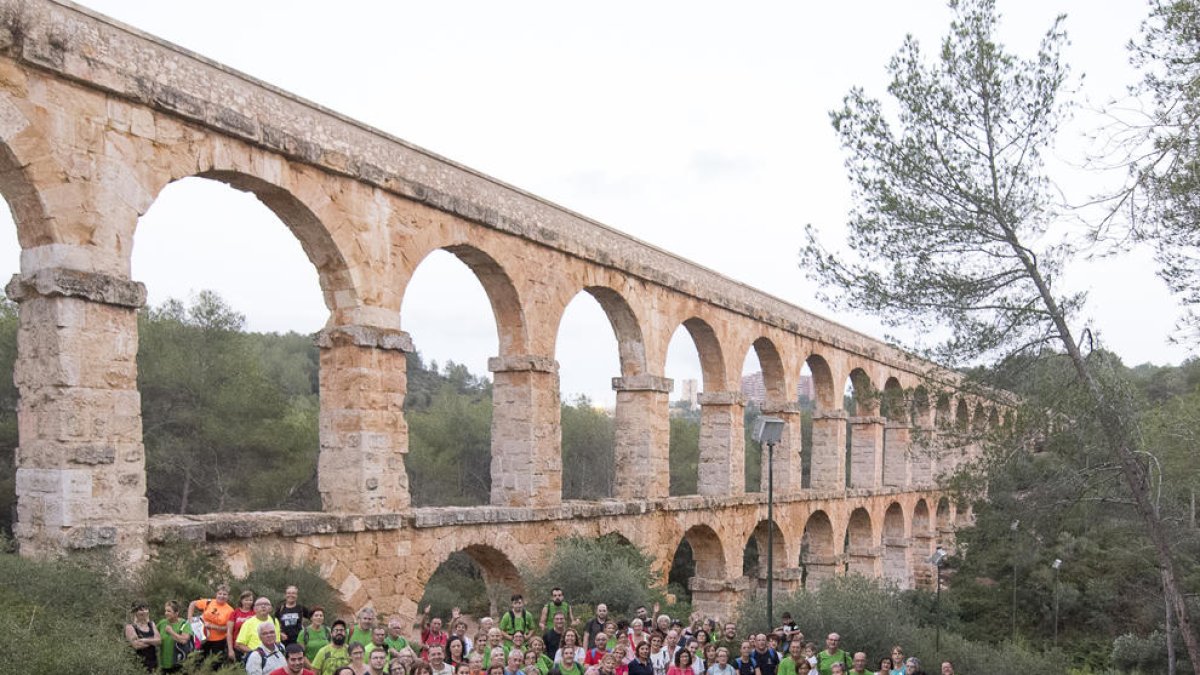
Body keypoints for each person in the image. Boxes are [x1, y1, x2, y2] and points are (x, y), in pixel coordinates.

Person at [188, 583, 236, 661]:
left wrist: (212, 626)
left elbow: (228, 628)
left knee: (216, 663)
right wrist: (190, 618)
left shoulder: (230, 610)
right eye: (220, 593)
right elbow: (192, 604)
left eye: (225, 594)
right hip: (202, 638)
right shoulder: (209, 602)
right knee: (199, 661)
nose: (222, 596)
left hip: (219, 641)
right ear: (216, 594)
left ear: (228, 597)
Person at [126, 601, 162, 672]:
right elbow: (137, 645)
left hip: (154, 666)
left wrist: (144, 640)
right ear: (135, 612)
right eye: (141, 610)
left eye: (146, 609)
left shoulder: (151, 624)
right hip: (138, 667)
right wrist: (153, 641)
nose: (144, 612)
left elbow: (159, 641)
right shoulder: (130, 627)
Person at [159, 600, 193, 673]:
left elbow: (184, 640)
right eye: (165, 611)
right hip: (163, 663)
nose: (166, 613)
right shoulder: (162, 623)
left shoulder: (185, 624)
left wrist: (171, 632)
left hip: (179, 662)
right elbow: (155, 636)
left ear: (176, 613)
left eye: (169, 611)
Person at [229, 591, 260, 658]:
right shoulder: (235, 613)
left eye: (250, 600)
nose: (248, 602)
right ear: (241, 600)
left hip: (252, 647)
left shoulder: (256, 613)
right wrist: (230, 650)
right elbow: (229, 632)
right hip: (237, 647)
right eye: (246, 600)